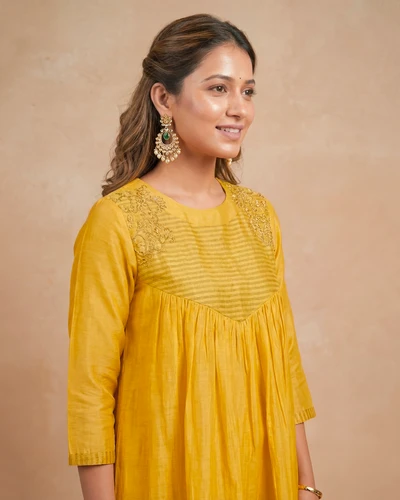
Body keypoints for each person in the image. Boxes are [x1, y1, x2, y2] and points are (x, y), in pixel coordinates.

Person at [67, 13, 322, 500]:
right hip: (166, 478)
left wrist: (307, 486)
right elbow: (90, 392)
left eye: (248, 91)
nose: (239, 109)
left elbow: (285, 365)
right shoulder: (118, 220)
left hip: (266, 480)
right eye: (219, 88)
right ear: (164, 98)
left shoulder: (259, 216)